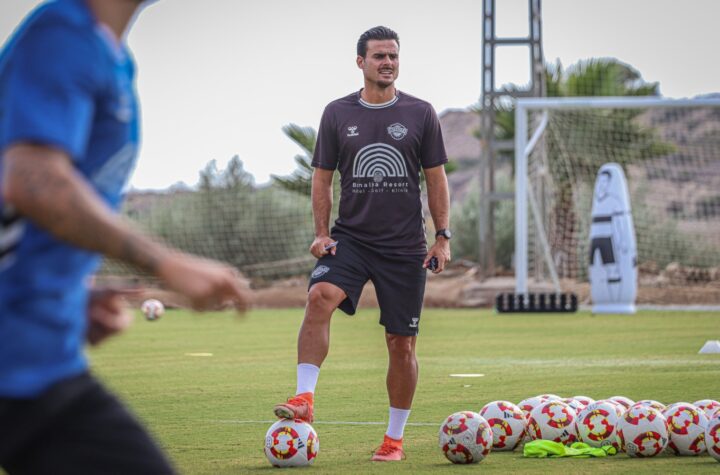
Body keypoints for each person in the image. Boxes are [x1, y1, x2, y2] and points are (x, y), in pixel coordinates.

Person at [0, 1, 252, 473]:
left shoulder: (111, 55)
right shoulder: (63, 35)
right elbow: (33, 179)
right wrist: (166, 263)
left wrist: (74, 297)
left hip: (37, 354)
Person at [273, 26, 451, 462]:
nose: (387, 63)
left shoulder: (421, 113)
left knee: (401, 343)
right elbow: (322, 177)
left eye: (392, 56)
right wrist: (321, 233)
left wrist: (442, 237)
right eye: (378, 57)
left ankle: (393, 440)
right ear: (361, 62)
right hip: (351, 238)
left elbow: (435, 178)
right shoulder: (337, 113)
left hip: (405, 247)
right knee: (320, 296)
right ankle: (304, 398)